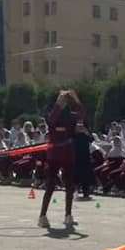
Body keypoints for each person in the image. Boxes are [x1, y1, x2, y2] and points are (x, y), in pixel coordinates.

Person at [38, 89, 84, 229]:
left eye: (65, 101)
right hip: (54, 155)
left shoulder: (70, 116)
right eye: (61, 100)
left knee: (69, 185)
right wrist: (59, 102)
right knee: (50, 185)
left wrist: (76, 98)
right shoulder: (52, 114)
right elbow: (51, 120)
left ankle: (68, 215)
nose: (64, 102)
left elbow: (82, 114)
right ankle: (42, 216)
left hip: (67, 154)